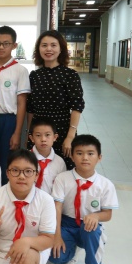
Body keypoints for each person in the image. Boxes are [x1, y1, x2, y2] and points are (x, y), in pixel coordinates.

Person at [49, 135, 118, 264]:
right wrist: (57, 236)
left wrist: (96, 216)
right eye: (79, 153)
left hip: (89, 224)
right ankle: (72, 250)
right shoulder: (62, 178)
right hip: (66, 223)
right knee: (56, 257)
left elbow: (108, 214)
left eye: (90, 153)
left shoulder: (105, 184)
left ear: (99, 157)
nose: (85, 158)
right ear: (72, 156)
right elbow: (57, 207)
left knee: (92, 231)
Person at [27, 30, 85, 170]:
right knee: (35, 168)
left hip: (62, 131)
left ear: (61, 49)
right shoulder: (34, 75)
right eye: (44, 45)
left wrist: (70, 137)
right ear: (38, 49)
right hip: (38, 133)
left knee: (62, 170)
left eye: (53, 45)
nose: (48, 49)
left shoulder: (70, 75)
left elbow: (77, 107)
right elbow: (31, 109)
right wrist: (29, 134)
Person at [0, 26, 31, 184]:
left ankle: (5, 191)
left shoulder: (20, 71)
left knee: (6, 160)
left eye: (6, 44)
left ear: (14, 45)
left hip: (8, 120)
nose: (1, 47)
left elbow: (21, 103)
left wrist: (17, 132)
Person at [28, 117, 66, 194]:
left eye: (47, 135)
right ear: (32, 138)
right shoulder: (24, 159)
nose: (43, 139)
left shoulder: (60, 162)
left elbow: (62, 188)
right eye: (38, 135)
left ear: (55, 137)